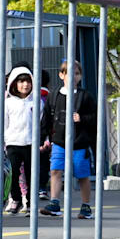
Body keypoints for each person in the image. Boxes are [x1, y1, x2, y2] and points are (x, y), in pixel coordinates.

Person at [39, 60, 97, 220]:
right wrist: (44, 138)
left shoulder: (85, 96)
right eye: (69, 73)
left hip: (79, 143)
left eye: (77, 74)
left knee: (82, 174)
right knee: (55, 170)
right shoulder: (54, 95)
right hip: (59, 141)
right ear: (61, 75)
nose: (73, 77)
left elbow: (95, 117)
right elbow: (46, 119)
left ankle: (86, 206)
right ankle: (55, 203)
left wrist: (83, 118)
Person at [0, 66, 42, 215]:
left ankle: (31, 203)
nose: (25, 85)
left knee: (32, 174)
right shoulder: (8, 103)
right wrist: (3, 142)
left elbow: (41, 121)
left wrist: (42, 140)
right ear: (14, 84)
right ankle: (15, 199)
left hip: (31, 144)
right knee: (13, 173)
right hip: (13, 143)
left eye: (28, 81)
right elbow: (3, 123)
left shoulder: (36, 102)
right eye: (21, 81)